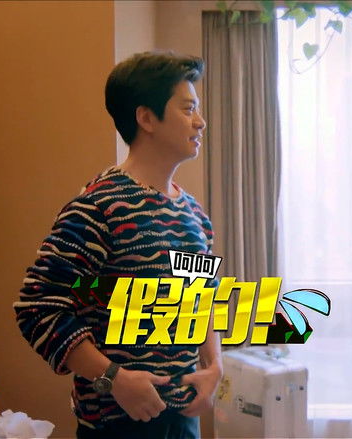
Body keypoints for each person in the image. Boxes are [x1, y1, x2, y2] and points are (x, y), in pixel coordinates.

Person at [14, 51, 221, 439]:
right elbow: (38, 308)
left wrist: (214, 366)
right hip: (116, 425)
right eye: (188, 108)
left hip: (182, 420)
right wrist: (113, 377)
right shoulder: (99, 207)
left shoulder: (193, 213)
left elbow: (201, 297)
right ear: (147, 119)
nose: (200, 121)